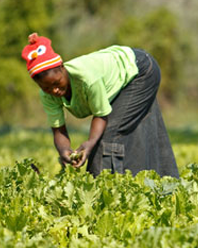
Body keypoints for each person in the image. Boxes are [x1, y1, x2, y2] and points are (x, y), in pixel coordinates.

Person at [21, 33, 179, 178]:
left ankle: (101, 189)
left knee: (108, 137)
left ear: (62, 68)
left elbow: (101, 115)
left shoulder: (87, 78)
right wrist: (64, 150)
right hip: (125, 72)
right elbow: (58, 129)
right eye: (47, 88)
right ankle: (162, 182)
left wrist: (90, 143)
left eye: (57, 83)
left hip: (140, 70)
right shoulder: (47, 95)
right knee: (136, 131)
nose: (54, 90)